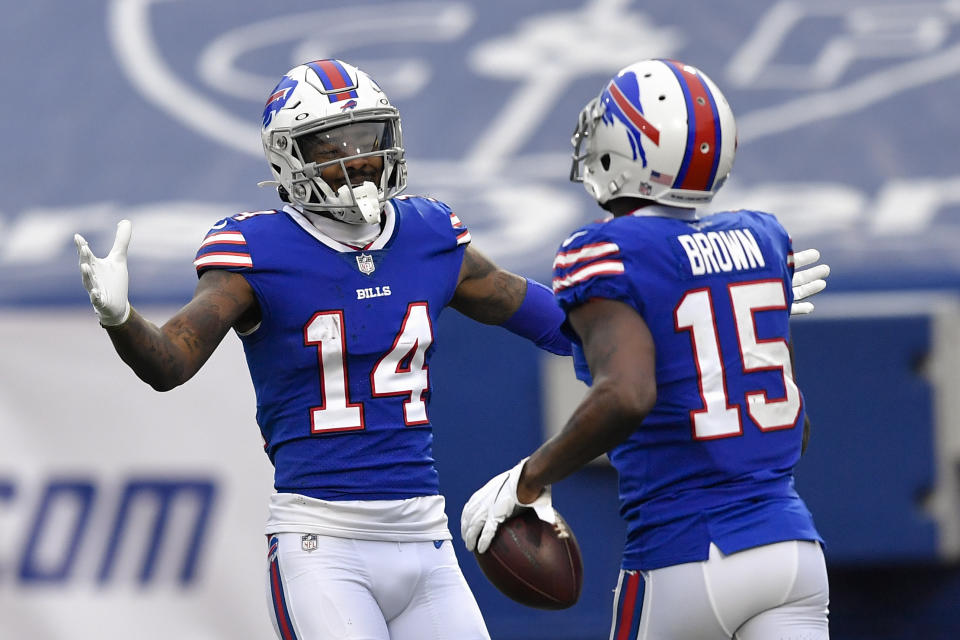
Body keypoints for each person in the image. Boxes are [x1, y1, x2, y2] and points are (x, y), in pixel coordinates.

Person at [74, 59, 578, 640]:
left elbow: (553, 323)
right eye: (331, 142)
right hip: (323, 542)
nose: (358, 157)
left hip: (425, 536)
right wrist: (120, 318)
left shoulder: (429, 234)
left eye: (367, 137)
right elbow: (171, 362)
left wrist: (645, 328)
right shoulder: (257, 250)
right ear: (289, 158)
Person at [461, 58, 831, 639]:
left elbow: (628, 394)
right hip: (793, 551)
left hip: (686, 551)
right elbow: (795, 428)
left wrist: (531, 477)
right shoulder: (762, 240)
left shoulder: (608, 250)